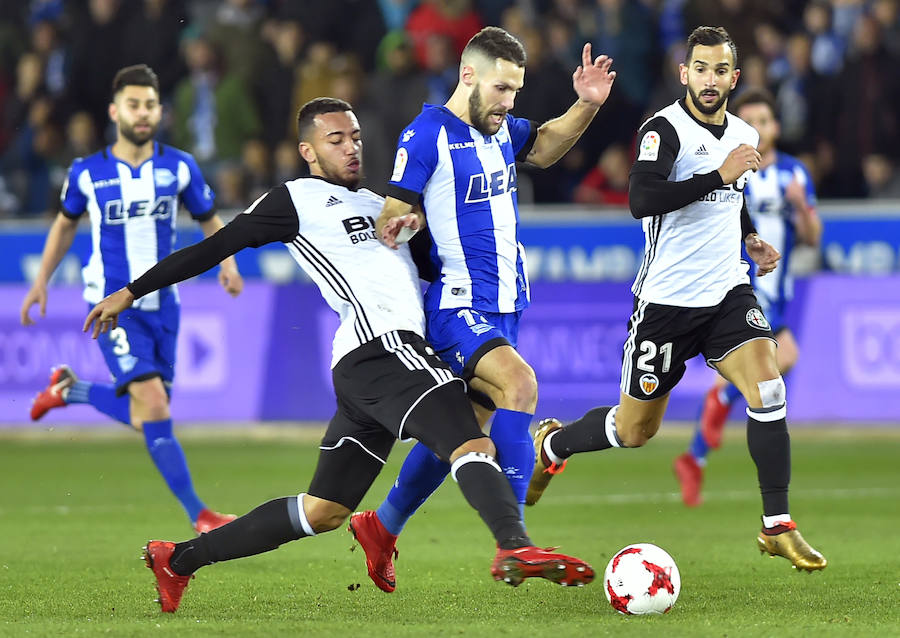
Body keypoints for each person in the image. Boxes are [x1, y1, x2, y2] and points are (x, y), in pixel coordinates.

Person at [83, 97, 595, 614]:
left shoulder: (383, 205)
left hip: (370, 363)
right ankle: (514, 544)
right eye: (336, 140)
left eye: (355, 138)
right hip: (384, 349)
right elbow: (215, 247)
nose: (351, 149)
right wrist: (130, 292)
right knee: (468, 436)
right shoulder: (296, 199)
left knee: (324, 510)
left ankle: (178, 559)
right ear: (307, 150)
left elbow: (438, 269)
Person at [524, 27, 827, 572]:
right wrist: (719, 172)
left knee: (768, 386)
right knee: (634, 430)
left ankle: (777, 524)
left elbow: (728, 198)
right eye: (701, 69)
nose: (710, 80)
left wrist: (750, 234)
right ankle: (554, 447)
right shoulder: (663, 129)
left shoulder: (741, 134)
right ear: (684, 73)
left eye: (720, 71)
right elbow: (642, 199)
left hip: (727, 294)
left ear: (734, 78)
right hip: (665, 304)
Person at [349, 26, 616, 592]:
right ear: (467, 75)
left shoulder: (500, 132)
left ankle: (382, 525)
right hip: (456, 305)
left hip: (505, 306)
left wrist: (586, 106)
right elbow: (392, 211)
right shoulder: (426, 134)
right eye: (500, 89)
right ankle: (514, 542)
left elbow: (543, 145)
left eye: (515, 91)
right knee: (519, 386)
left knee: (467, 428)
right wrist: (400, 223)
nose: (509, 103)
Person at [20, 64, 242, 534]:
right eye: (133, 104)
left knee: (148, 415)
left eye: (150, 105)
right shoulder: (86, 172)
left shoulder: (179, 165)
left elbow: (208, 216)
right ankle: (200, 515)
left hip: (166, 306)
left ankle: (70, 390)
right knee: (154, 406)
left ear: (160, 111)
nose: (142, 114)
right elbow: (64, 224)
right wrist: (42, 278)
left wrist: (227, 262)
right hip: (111, 308)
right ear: (114, 110)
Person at [674, 88, 822, 507]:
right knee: (782, 359)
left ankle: (697, 452)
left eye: (765, 119)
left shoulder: (794, 173)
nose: (758, 126)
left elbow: (813, 239)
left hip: (778, 289)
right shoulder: (730, 169)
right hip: (739, 286)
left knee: (781, 361)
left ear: (776, 127)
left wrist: (802, 209)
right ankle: (715, 418)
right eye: (750, 119)